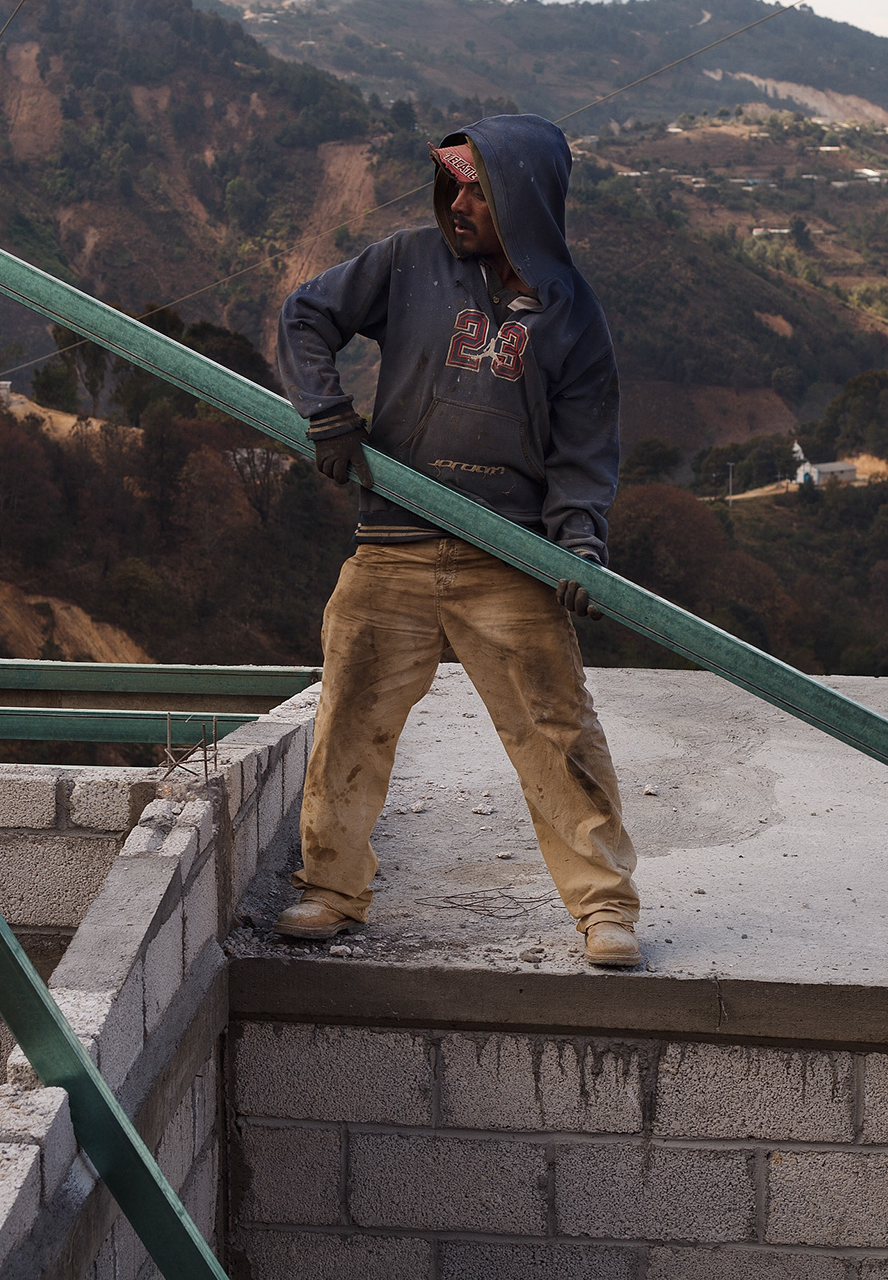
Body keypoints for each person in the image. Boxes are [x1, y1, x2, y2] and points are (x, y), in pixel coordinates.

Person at [273, 114, 641, 967]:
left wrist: (578, 546)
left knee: (557, 733)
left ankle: (604, 909)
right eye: (454, 183)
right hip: (394, 540)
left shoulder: (573, 314)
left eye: (480, 188)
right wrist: (326, 414)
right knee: (352, 714)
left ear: (524, 200)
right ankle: (331, 889)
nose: (459, 202)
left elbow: (584, 455)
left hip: (509, 556)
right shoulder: (406, 262)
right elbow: (306, 316)